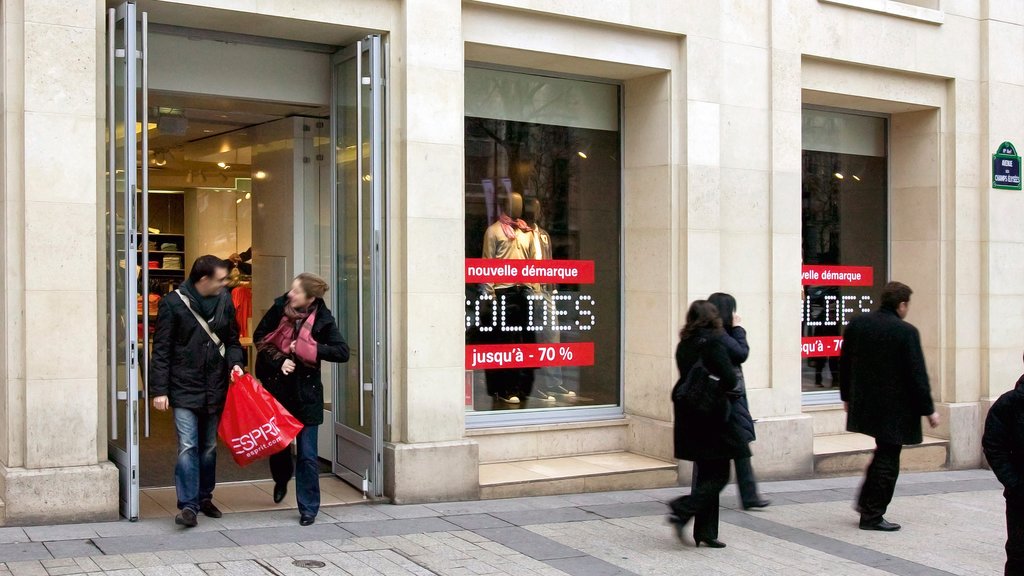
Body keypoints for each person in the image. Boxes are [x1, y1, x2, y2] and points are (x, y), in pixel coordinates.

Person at [150, 255, 245, 528]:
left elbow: (232, 340)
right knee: (188, 446)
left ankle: (205, 497)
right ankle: (188, 506)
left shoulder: (225, 300)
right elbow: (162, 351)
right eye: (220, 279)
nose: (225, 283)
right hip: (183, 387)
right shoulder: (173, 303)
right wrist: (159, 390)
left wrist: (236, 364)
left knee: (209, 448)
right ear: (203, 279)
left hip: (215, 386)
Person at [840, 281, 940, 532]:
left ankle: (866, 504)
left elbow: (844, 363)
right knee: (888, 458)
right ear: (902, 304)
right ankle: (872, 514)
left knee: (882, 452)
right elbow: (916, 374)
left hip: (866, 404)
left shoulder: (858, 324)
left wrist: (846, 396)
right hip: (895, 409)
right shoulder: (906, 331)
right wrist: (928, 409)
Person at [253, 272, 349, 526]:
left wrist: (312, 349)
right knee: (280, 447)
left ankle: (308, 508)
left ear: (310, 298)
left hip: (307, 395)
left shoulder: (323, 320)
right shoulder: (278, 309)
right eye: (292, 289)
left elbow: (342, 352)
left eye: (296, 291)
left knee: (307, 455)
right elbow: (260, 338)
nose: (290, 294)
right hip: (279, 392)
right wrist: (280, 360)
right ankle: (282, 478)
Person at [669, 300, 748, 549]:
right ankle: (683, 508)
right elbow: (729, 374)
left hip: (690, 415)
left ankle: (705, 531)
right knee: (721, 474)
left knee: (706, 473)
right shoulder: (714, 342)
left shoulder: (685, 344)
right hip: (713, 417)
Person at [707, 292, 770, 510]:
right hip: (729, 398)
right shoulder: (721, 334)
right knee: (739, 448)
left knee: (739, 448)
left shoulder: (709, 333)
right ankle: (695, 502)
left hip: (725, 398)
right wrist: (738, 328)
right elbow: (741, 353)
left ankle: (749, 495)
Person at [982, 352, 1024, 575]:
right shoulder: (1009, 404)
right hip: (1021, 500)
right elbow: (993, 445)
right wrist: (1014, 483)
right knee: (1019, 556)